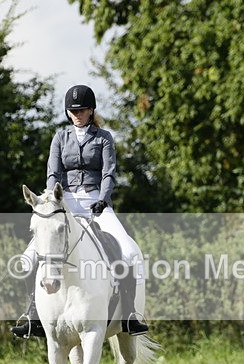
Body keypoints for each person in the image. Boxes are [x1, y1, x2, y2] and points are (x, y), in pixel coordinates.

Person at [11, 84, 149, 338]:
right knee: (28, 257)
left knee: (129, 253)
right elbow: (53, 173)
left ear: (91, 110)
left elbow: (109, 173)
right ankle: (33, 314)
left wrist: (103, 199)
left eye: (82, 110)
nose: (77, 114)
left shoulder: (103, 137)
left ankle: (129, 315)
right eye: (73, 111)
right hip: (65, 203)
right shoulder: (60, 138)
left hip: (97, 202)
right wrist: (53, 202)